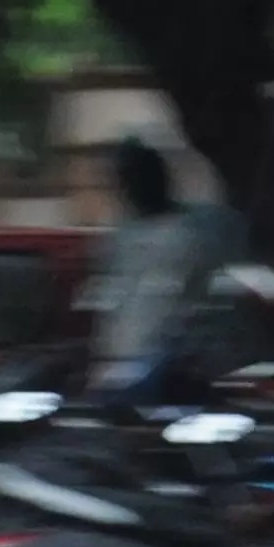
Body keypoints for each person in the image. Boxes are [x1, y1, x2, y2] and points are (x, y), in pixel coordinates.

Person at [90, 135, 232, 398]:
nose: (121, 192)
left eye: (125, 181)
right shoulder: (123, 236)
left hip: (169, 369)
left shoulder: (188, 234)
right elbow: (114, 305)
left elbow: (181, 306)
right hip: (120, 366)